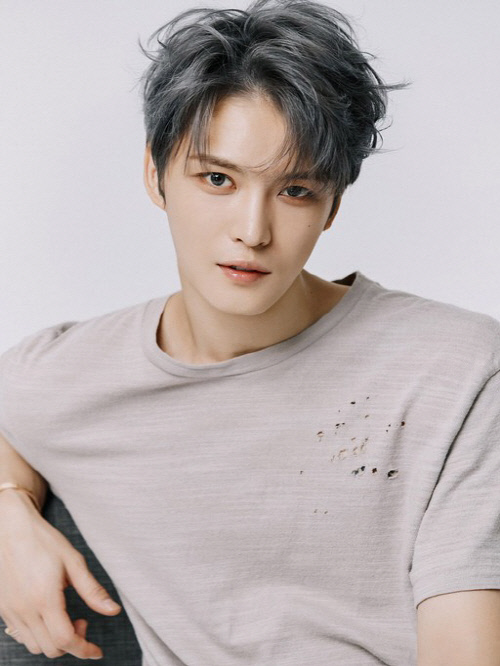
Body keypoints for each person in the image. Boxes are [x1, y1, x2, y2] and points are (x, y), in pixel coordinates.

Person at [1, 0, 500, 664]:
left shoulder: (457, 371)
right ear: (155, 173)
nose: (252, 230)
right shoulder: (74, 371)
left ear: (333, 205)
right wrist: (8, 514)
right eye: (217, 179)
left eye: (296, 191)